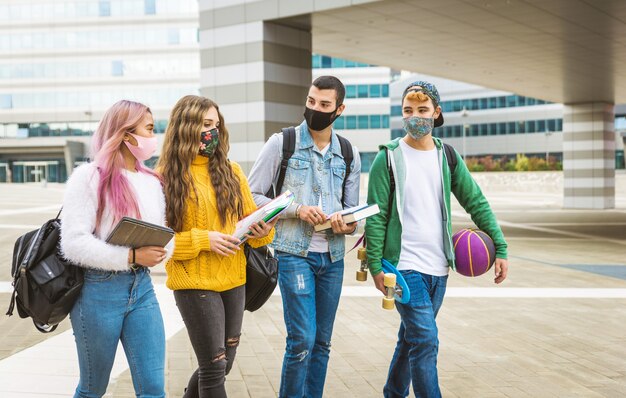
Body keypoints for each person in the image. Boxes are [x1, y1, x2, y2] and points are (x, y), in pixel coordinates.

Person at [365, 80, 509, 398]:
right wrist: (375, 265)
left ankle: (393, 393)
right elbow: (375, 216)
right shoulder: (387, 158)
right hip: (403, 267)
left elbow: (476, 202)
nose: (414, 116)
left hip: (439, 269)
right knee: (427, 340)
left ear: (436, 112)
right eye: (408, 110)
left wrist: (500, 246)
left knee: (413, 339)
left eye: (422, 110)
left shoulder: (448, 157)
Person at [248, 75, 361, 398]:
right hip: (294, 254)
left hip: (333, 258)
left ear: (339, 109)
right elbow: (252, 196)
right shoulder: (281, 144)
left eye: (324, 105)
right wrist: (296, 209)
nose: (315, 109)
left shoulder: (349, 154)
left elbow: (353, 213)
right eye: (311, 101)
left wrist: (347, 224)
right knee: (302, 339)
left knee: (322, 341)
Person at [157, 95, 276, 398]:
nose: (211, 132)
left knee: (224, 365)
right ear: (184, 128)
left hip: (234, 280)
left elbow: (253, 226)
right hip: (194, 282)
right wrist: (203, 240)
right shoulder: (164, 178)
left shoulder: (232, 171)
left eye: (215, 125)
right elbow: (159, 242)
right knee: (213, 368)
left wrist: (263, 228)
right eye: (204, 125)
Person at [60, 100, 172, 398]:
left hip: (143, 289)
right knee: (92, 388)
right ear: (125, 134)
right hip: (98, 292)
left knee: (153, 389)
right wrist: (131, 256)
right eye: (148, 129)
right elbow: (72, 243)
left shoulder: (151, 182)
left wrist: (163, 249)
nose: (153, 136)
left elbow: (162, 234)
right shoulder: (89, 177)